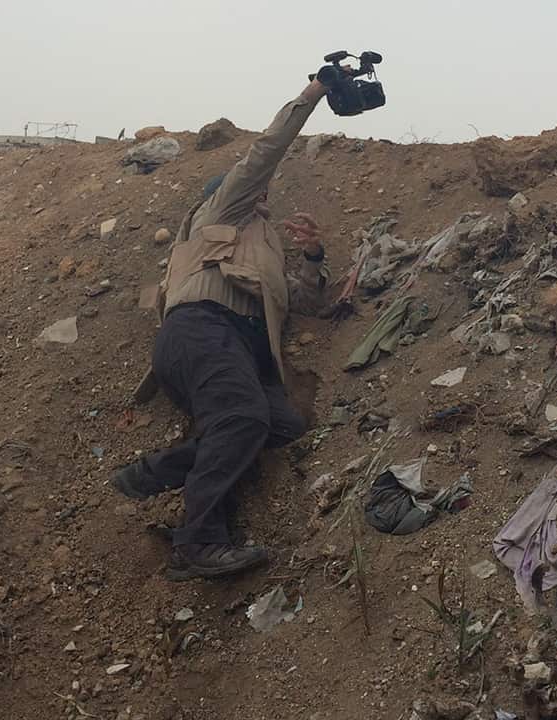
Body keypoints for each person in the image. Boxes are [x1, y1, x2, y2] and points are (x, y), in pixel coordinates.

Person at [113, 78, 332, 581]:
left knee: (280, 425)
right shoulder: (220, 213)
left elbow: (303, 302)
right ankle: (199, 542)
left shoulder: (265, 243)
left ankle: (158, 473)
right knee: (241, 418)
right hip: (201, 330)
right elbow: (263, 156)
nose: (264, 196)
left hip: (240, 349)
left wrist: (314, 256)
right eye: (256, 191)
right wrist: (313, 94)